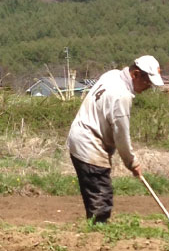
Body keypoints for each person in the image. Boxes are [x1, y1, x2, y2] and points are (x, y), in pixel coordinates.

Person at [66, 55, 163, 223]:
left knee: (95, 193)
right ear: (136, 74)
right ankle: (98, 234)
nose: (149, 87)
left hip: (79, 136)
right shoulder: (122, 97)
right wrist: (132, 163)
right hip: (89, 143)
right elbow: (122, 137)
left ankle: (95, 228)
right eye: (148, 82)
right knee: (100, 197)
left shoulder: (112, 75)